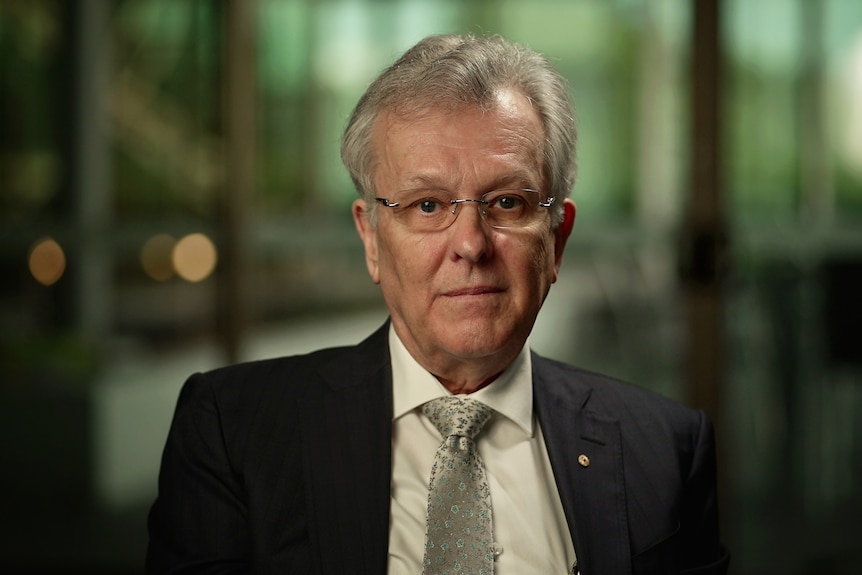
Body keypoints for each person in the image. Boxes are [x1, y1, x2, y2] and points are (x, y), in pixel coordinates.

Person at [146, 33, 730, 575]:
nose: (471, 245)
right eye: (427, 206)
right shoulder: (233, 431)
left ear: (557, 239)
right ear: (371, 238)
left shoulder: (663, 449)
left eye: (505, 202)